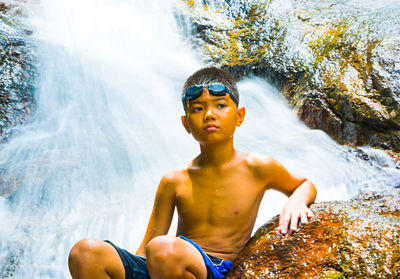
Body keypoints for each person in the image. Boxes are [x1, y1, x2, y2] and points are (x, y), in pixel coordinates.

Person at [68, 67, 317, 279]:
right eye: (197, 109)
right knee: (85, 252)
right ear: (186, 123)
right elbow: (146, 250)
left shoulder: (258, 167)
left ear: (239, 116)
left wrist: (296, 199)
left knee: (164, 249)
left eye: (220, 105)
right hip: (167, 264)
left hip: (215, 268)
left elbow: (304, 184)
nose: (209, 114)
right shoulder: (175, 180)